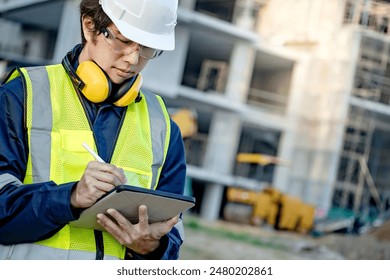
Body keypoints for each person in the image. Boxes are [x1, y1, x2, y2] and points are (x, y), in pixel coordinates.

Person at [0, 0, 187, 260]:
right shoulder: (22, 95)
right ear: (90, 27)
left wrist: (153, 248)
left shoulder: (163, 126)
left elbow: (171, 237)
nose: (133, 59)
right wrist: (71, 197)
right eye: (123, 40)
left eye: (146, 47)